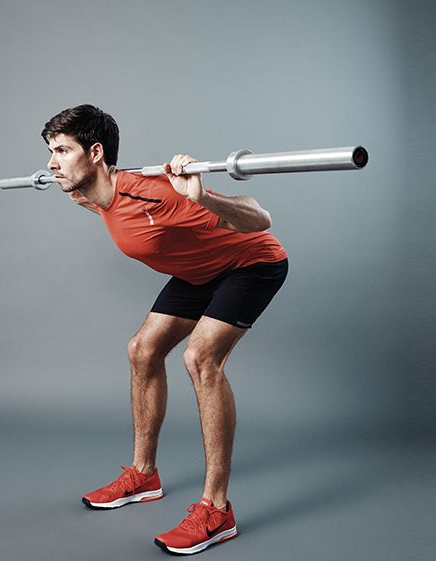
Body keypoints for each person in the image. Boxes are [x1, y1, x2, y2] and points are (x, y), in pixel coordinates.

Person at [42, 105, 287, 555]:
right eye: (50, 152)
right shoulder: (94, 196)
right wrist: (79, 191)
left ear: (95, 153)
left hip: (251, 264)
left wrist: (201, 198)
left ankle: (216, 510)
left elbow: (260, 219)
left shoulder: (155, 194)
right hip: (199, 271)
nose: (52, 163)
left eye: (62, 151)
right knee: (142, 349)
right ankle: (143, 476)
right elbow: (117, 212)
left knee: (200, 358)